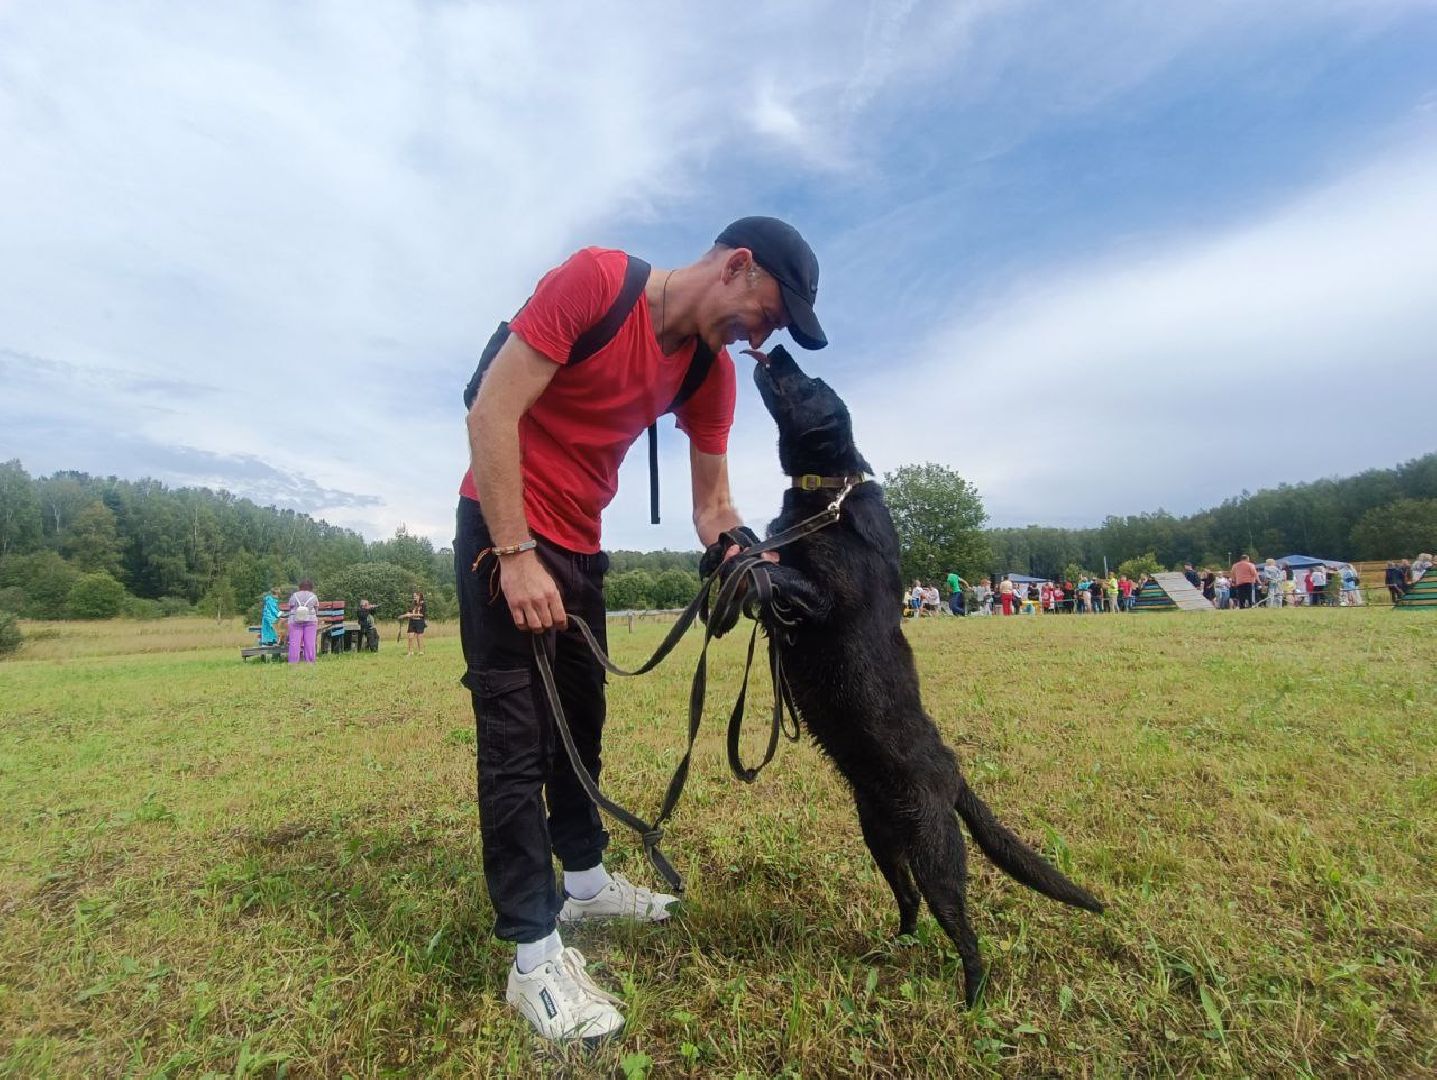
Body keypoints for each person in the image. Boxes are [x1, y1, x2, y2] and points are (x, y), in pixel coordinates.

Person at [454, 216, 825, 1043]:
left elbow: (712, 507)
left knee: (582, 722)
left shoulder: (709, 373)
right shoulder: (596, 281)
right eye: (769, 313)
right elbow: (490, 413)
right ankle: (534, 956)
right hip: (503, 528)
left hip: (582, 545)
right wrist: (514, 555)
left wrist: (747, 557)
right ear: (736, 266)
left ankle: (584, 883)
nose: (762, 336)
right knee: (517, 737)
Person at [286, 579, 319, 664]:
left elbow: (290, 606)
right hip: (311, 621)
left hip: (295, 620)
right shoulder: (313, 596)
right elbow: (316, 609)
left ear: (300, 587)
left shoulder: (294, 595)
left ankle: (293, 662)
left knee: (294, 642)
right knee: (310, 642)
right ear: (311, 587)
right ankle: (310, 661)